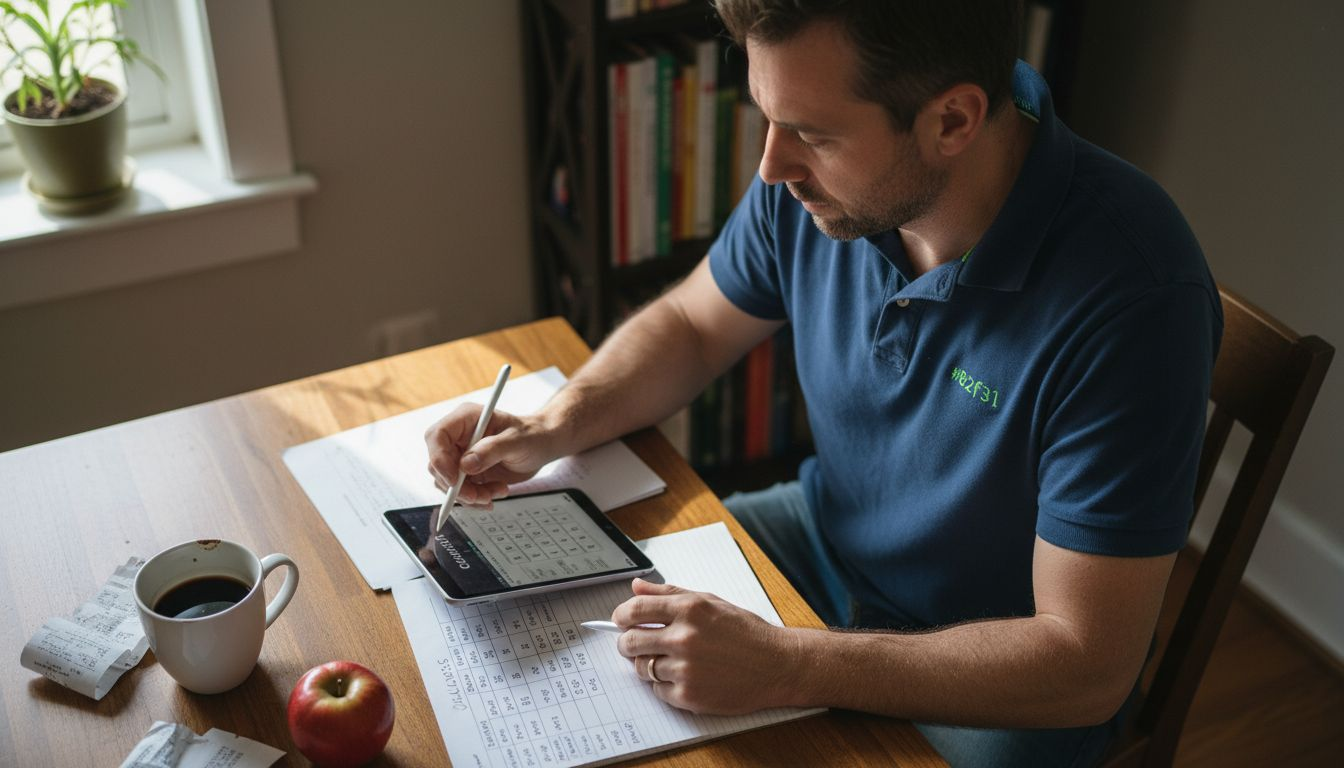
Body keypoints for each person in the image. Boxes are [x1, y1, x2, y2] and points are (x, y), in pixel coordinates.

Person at [425, 1, 1222, 765]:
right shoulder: (821, 190)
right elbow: (694, 328)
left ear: (953, 120)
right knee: (571, 624)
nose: (772, 166)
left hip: (1003, 663)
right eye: (768, 117)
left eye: (810, 133)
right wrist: (557, 422)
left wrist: (790, 664)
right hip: (822, 541)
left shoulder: (1136, 302)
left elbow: (1082, 663)